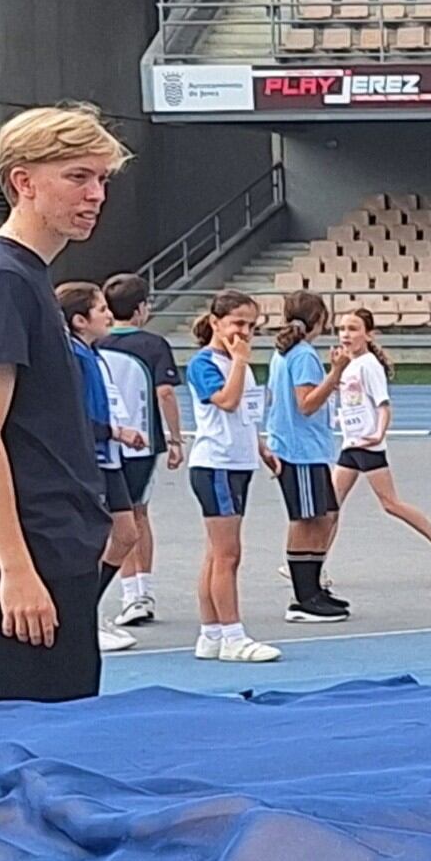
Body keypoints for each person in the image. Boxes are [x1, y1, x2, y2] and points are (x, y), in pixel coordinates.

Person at [0, 105, 128, 705]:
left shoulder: (26, 277)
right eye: (78, 176)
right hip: (27, 561)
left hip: (55, 549)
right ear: (23, 181)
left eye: (101, 178)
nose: (96, 194)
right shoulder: (2, 279)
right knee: (24, 746)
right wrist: (16, 569)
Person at [183, 290, 280, 664]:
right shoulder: (206, 363)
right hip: (216, 464)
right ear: (215, 322)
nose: (245, 333)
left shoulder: (239, 363)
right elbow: (226, 401)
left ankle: (211, 634)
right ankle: (233, 636)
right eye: (238, 323)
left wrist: (261, 447)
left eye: (252, 326)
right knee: (228, 554)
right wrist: (239, 361)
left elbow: (245, 414)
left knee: (216, 553)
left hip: (238, 462)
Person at [328, 307, 431, 582]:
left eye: (353, 329)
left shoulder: (369, 365)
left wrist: (378, 434)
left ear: (368, 335)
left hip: (367, 444)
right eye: (342, 329)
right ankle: (314, 564)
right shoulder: (348, 365)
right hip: (351, 443)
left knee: (390, 503)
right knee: (331, 506)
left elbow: (383, 405)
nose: (346, 335)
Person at [57, 281, 144, 653]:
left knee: (126, 533)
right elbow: (71, 416)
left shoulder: (93, 354)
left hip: (108, 456)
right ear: (79, 320)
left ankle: (83, 609)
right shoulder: (72, 358)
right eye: (102, 309)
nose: (110, 315)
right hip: (88, 458)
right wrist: (114, 431)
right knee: (90, 539)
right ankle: (79, 618)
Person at [100, 273, 183, 629]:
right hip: (141, 443)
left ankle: (130, 592)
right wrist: (175, 438)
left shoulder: (96, 343)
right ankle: (139, 593)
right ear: (141, 308)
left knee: (115, 517)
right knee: (138, 514)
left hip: (108, 441)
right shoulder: (153, 345)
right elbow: (165, 392)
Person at [263, 291, 350, 624]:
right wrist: (335, 374)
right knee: (306, 519)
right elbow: (306, 403)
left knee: (325, 514)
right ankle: (303, 596)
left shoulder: (285, 353)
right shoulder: (303, 355)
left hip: (305, 447)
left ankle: (313, 585)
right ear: (319, 320)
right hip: (300, 449)